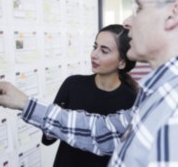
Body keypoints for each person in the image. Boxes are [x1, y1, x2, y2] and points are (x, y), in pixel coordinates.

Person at [0, 0, 178, 166]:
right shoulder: (170, 94)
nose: (128, 21)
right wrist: (24, 102)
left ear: (173, 14)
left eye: (138, 8)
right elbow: (103, 132)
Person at [41, 24, 137, 167]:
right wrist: (56, 119)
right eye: (95, 47)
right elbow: (47, 139)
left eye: (104, 51)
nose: (94, 54)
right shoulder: (72, 85)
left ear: (122, 62)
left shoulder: (131, 100)